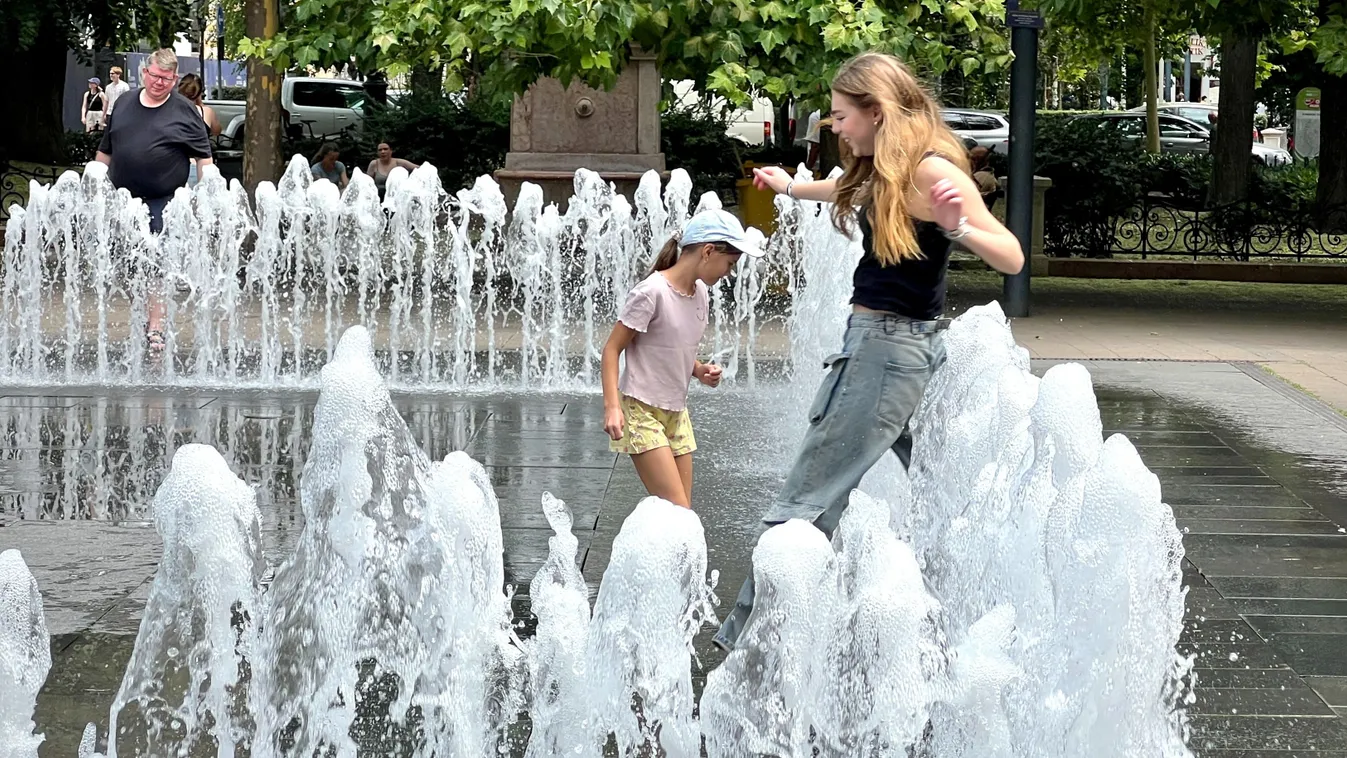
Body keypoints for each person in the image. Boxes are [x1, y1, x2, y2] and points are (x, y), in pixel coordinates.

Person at [711, 52, 1024, 652]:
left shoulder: (931, 175)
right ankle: (958, 632)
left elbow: (1010, 255)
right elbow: (842, 186)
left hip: (885, 355)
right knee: (942, 495)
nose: (835, 127)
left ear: (876, 112)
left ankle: (739, 645)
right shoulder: (886, 167)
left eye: (840, 116)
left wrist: (959, 227)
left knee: (806, 498)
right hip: (904, 353)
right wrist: (788, 186)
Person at [601, 209, 765, 508]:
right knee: (678, 508)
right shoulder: (651, 292)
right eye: (729, 264)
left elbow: (671, 347)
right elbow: (612, 349)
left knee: (682, 514)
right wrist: (613, 407)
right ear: (708, 251)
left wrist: (699, 370)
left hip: (676, 413)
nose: (728, 272)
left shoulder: (700, 292)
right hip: (641, 410)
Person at [95, 48, 213, 355]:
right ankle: (145, 320)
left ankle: (156, 326)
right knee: (131, 262)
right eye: (155, 76)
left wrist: (205, 195)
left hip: (163, 199)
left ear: (174, 80)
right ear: (144, 73)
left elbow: (204, 157)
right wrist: (93, 184)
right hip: (123, 199)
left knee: (156, 263)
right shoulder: (123, 102)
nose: (159, 83)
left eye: (167, 78)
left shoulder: (184, 110)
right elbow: (105, 148)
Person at [177, 73, 221, 188]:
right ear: (200, 92)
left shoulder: (172, 110)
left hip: (176, 167)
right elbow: (217, 131)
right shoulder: (206, 111)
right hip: (202, 166)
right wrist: (200, 103)